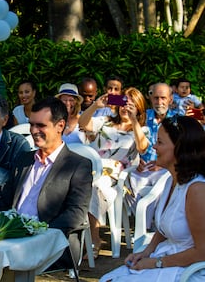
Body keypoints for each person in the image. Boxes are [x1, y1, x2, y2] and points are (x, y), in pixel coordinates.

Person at [100, 116, 205, 282]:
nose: (154, 147)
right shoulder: (171, 180)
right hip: (167, 259)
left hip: (188, 271)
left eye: (160, 142)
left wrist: (156, 263)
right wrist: (146, 252)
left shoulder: (197, 190)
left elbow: (202, 251)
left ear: (179, 148)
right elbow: (163, 229)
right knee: (107, 279)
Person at [0, 97, 93, 269]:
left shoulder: (78, 165)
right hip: (9, 238)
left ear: (59, 126)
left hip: (51, 243)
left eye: (41, 125)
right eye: (31, 124)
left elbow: (76, 213)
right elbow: (4, 200)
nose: (34, 130)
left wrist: (36, 234)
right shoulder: (23, 160)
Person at [78, 87, 149, 258]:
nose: (126, 107)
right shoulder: (105, 120)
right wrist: (96, 105)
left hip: (116, 175)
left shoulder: (140, 129)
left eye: (132, 104)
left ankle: (95, 238)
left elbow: (142, 148)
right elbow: (82, 124)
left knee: (96, 186)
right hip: (92, 167)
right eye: (124, 102)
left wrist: (134, 121)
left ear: (139, 108)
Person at [125, 83, 176, 228]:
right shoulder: (142, 117)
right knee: (126, 185)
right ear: (150, 98)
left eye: (163, 98)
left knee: (160, 189)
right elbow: (130, 139)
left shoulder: (178, 120)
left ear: (170, 99)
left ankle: (150, 227)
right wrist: (136, 160)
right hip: (142, 168)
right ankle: (147, 225)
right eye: (156, 98)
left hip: (166, 169)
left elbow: (181, 148)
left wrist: (162, 164)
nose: (159, 102)